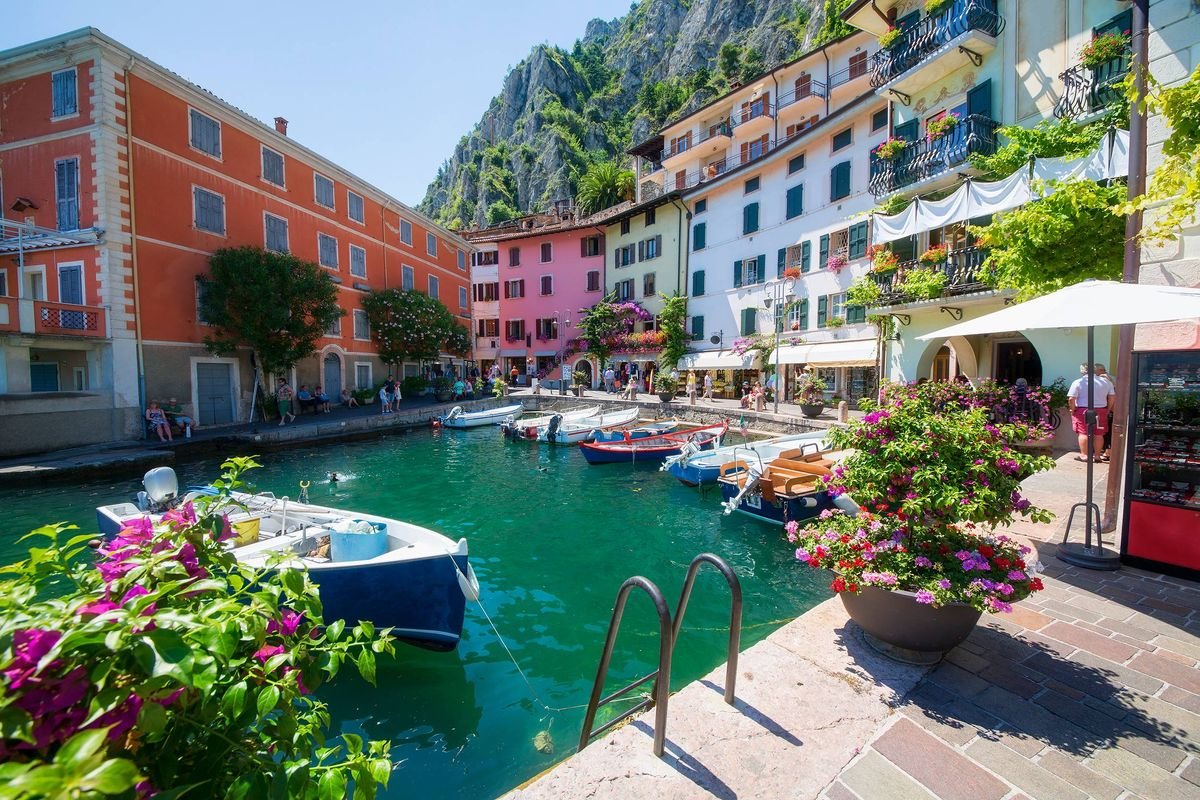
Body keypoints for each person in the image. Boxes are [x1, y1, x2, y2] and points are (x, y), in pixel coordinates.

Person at [1067, 364, 1114, 463]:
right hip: (1101, 409)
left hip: (1083, 409)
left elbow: (1071, 398)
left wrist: (1073, 409)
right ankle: (1097, 455)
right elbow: (1112, 397)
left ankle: (1084, 455)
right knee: (1099, 434)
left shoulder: (1078, 382)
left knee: (1083, 432)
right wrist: (1108, 409)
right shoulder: (1106, 382)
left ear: (1082, 371)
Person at [1094, 363, 1116, 461]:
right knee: (1105, 432)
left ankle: (1107, 452)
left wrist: (1108, 410)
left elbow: (1112, 397)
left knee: (1107, 432)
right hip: (1107, 409)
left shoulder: (1105, 379)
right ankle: (1105, 451)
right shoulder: (1111, 379)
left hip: (1108, 410)